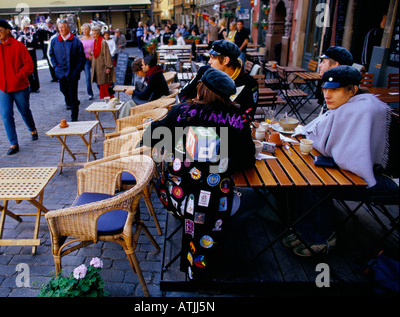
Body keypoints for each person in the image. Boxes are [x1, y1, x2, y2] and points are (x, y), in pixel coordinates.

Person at [142, 68, 257, 281]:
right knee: (255, 197)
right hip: (216, 204)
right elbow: (247, 160)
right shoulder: (238, 119)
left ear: (201, 88)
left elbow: (150, 137)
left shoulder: (181, 111)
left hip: (178, 198)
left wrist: (177, 143)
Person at [283, 65, 398, 257]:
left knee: (317, 182)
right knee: (306, 175)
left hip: (383, 180)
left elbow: (352, 159)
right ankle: (304, 229)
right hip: (362, 171)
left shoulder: (362, 109)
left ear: (352, 90)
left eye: (334, 89)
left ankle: (321, 238)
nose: (327, 95)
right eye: (325, 89)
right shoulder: (349, 104)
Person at [0, 19, 38, 155]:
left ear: (7, 31)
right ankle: (13, 143)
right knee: (6, 115)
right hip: (2, 87)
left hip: (19, 86)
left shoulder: (18, 45)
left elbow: (29, 65)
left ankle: (32, 128)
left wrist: (17, 76)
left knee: (24, 110)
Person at [179, 40, 259, 121]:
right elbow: (183, 94)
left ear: (225, 60)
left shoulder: (249, 83)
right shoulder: (204, 72)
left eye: (213, 58)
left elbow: (247, 116)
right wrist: (192, 110)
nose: (209, 61)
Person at [49, 19, 86, 121]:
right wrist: (56, 67)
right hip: (61, 72)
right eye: (59, 27)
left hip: (72, 73)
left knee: (73, 95)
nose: (60, 29)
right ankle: (71, 102)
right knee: (63, 89)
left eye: (63, 27)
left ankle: (74, 117)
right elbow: (51, 55)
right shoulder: (55, 41)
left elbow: (81, 58)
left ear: (68, 28)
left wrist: (77, 70)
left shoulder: (75, 41)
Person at [90, 25, 115, 100]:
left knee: (104, 83)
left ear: (98, 34)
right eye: (92, 34)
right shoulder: (96, 41)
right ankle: (106, 98)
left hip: (103, 66)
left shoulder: (103, 43)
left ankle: (109, 98)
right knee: (99, 83)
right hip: (97, 66)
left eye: (94, 34)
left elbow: (107, 55)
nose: (93, 35)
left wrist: (108, 67)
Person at [16, 18, 40, 93]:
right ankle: (29, 85)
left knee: (34, 69)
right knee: (26, 69)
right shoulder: (20, 33)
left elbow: (36, 43)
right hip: (23, 53)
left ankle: (36, 87)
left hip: (31, 51)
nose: (25, 26)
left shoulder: (32, 32)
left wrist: (29, 40)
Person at [80, 23, 95, 100]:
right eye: (83, 29)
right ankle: (90, 93)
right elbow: (79, 51)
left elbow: (96, 48)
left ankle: (102, 90)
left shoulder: (93, 38)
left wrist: (92, 55)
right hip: (85, 59)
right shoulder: (81, 40)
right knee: (87, 77)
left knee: (97, 75)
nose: (85, 31)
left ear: (89, 30)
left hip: (94, 58)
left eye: (86, 29)